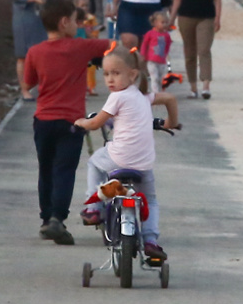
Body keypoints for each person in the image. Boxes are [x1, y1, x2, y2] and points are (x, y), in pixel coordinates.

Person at [75, 50, 179, 265]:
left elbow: (96, 123)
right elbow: (169, 98)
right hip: (144, 165)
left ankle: (94, 208)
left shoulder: (117, 97)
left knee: (94, 162)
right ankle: (150, 240)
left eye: (116, 73)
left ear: (132, 75)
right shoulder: (142, 97)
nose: (110, 79)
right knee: (149, 199)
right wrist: (170, 123)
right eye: (106, 74)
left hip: (118, 158)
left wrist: (81, 122)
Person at [22, 0, 111, 245]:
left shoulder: (35, 52)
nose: (78, 24)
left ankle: (45, 218)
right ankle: (57, 220)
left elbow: (28, 83)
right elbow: (113, 46)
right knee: (64, 171)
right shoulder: (80, 47)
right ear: (64, 23)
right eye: (74, 20)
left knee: (46, 169)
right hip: (72, 122)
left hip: (42, 121)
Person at [172, 0, 222, 99]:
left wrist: (218, 17)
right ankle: (193, 87)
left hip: (206, 16)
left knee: (204, 50)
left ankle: (206, 85)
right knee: (189, 52)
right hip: (186, 16)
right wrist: (171, 18)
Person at [11, 0, 49, 96]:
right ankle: (24, 89)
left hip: (38, 18)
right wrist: (34, 0)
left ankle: (40, 85)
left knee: (40, 53)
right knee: (23, 55)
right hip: (24, 18)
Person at [141, 10, 180, 90]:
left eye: (166, 22)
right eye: (162, 22)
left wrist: (166, 54)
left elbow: (168, 45)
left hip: (162, 61)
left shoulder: (166, 35)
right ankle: (155, 94)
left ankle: (159, 92)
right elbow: (144, 44)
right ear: (155, 23)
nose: (165, 24)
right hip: (152, 60)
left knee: (159, 78)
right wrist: (143, 55)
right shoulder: (150, 34)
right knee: (154, 77)